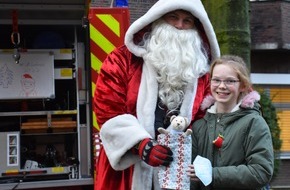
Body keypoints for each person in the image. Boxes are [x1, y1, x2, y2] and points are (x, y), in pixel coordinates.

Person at [93, 0, 220, 189]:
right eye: (173, 17)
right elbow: (107, 110)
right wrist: (140, 145)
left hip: (178, 173)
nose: (179, 26)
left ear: (197, 27)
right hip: (129, 172)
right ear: (158, 19)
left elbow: (207, 120)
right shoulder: (122, 59)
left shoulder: (202, 74)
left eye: (187, 21)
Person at [187, 55, 274, 189]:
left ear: (243, 86)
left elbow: (261, 171)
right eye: (216, 80)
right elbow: (190, 176)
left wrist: (213, 174)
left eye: (230, 81)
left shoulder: (254, 123)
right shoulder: (199, 126)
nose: (222, 86)